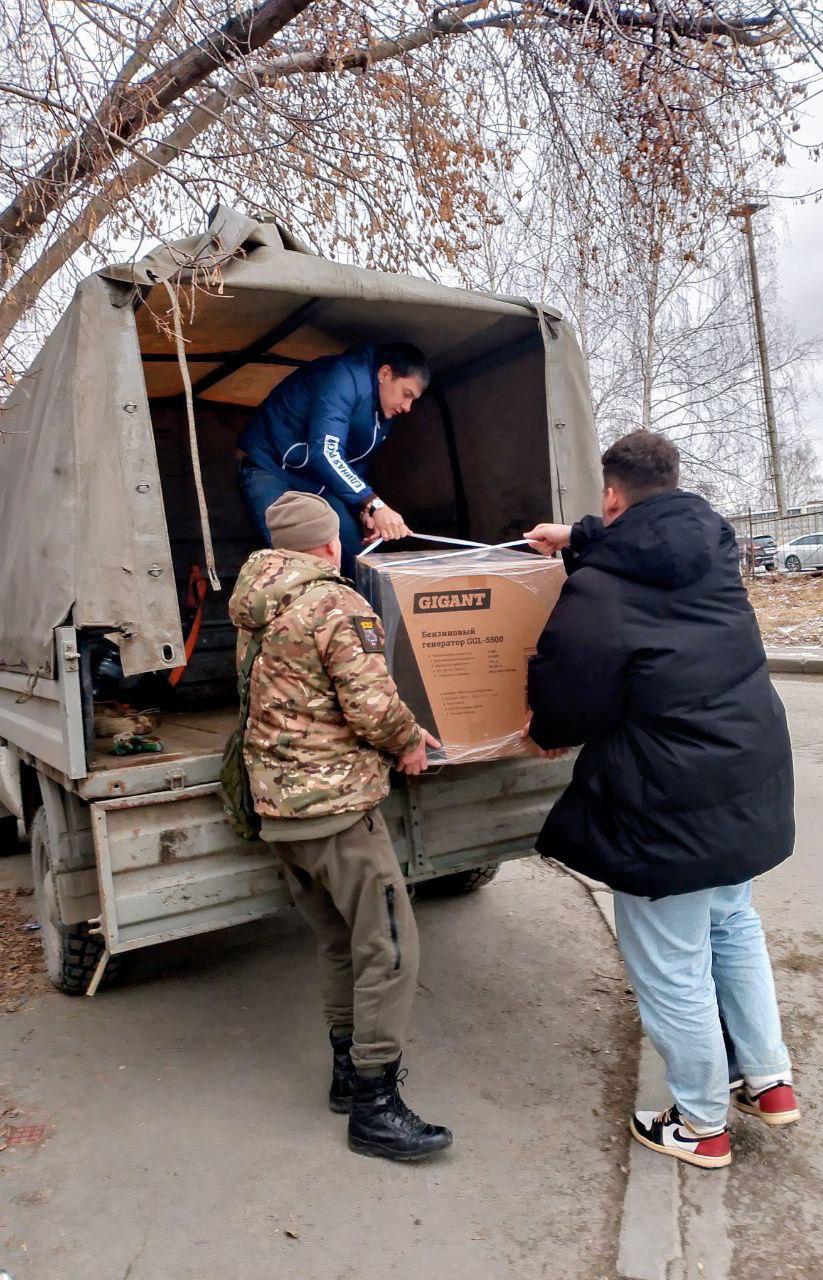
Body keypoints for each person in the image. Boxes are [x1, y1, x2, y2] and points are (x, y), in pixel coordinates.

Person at [524, 430, 798, 1170]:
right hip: (746, 773)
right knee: (732, 921)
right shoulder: (714, 548)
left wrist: (547, 732)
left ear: (613, 495)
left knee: (671, 962)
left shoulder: (600, 588)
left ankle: (702, 1123)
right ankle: (768, 1080)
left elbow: (569, 690)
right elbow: (646, 545)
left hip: (663, 796)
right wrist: (578, 535)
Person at [228, 489, 452, 1162]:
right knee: (389, 947)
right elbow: (372, 705)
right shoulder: (334, 603)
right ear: (330, 544)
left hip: (278, 811)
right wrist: (409, 741)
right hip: (335, 812)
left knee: (338, 942)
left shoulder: (255, 605)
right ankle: (375, 1109)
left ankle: (347, 1078)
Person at [236, 342, 431, 575]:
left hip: (316, 479)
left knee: (357, 555)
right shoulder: (344, 376)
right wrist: (373, 504)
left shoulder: (383, 411)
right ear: (385, 374)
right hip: (270, 466)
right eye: (406, 394)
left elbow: (354, 463)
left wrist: (363, 511)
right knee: (301, 560)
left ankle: (354, 600)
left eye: (413, 400)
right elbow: (326, 452)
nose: (408, 407)